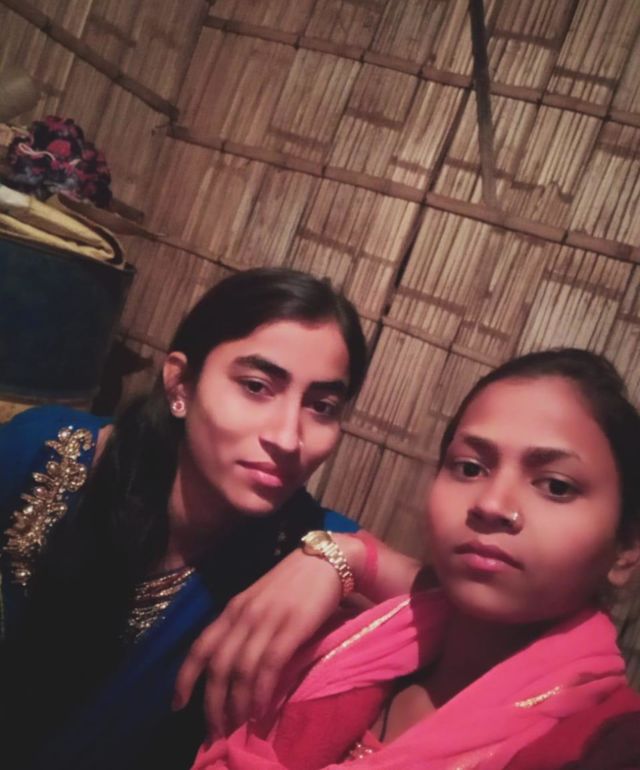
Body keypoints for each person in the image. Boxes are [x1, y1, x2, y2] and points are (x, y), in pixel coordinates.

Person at [0, 267, 381, 770]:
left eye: (322, 406)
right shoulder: (44, 452)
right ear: (180, 382)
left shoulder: (303, 542)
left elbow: (449, 610)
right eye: (256, 386)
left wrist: (346, 557)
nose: (289, 438)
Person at [190, 348, 640, 770]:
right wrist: (338, 554)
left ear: (627, 548)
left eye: (556, 486)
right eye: (470, 468)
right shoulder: (339, 643)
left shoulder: (608, 744)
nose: (491, 504)